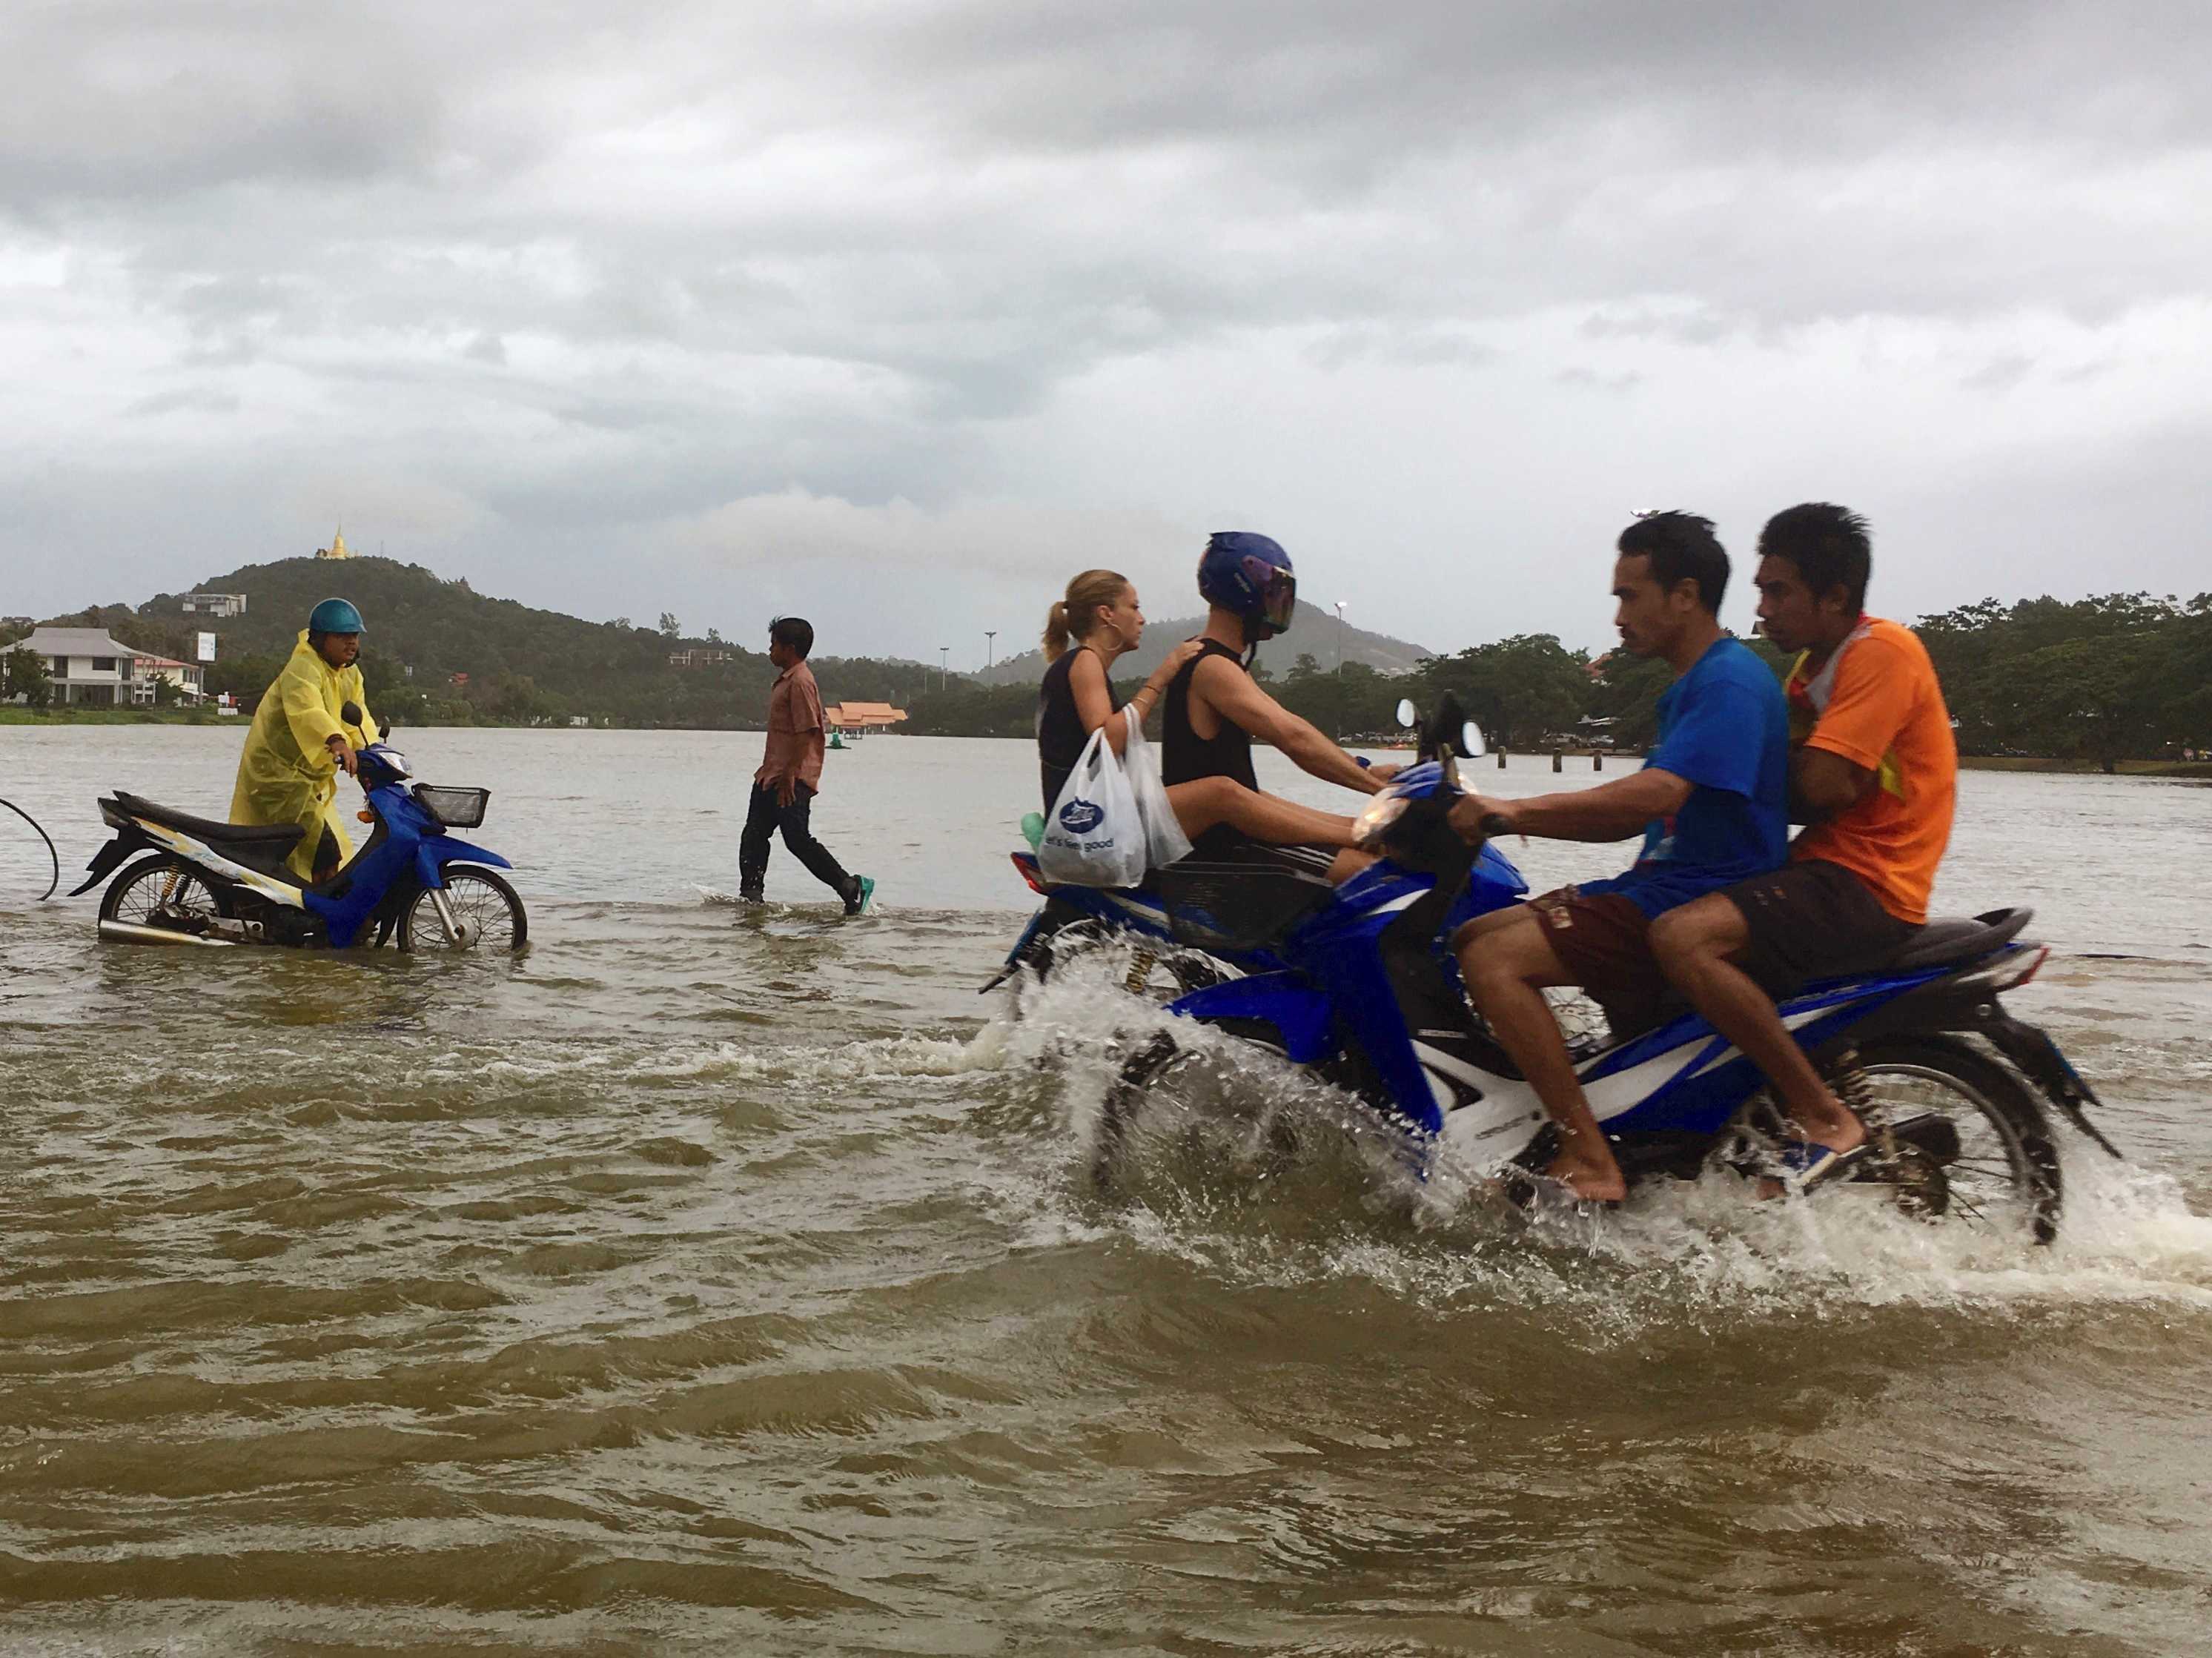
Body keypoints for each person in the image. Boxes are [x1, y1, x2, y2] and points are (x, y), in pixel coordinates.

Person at [1447, 512, 1788, 1203]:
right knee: (1477, 929)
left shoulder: (1727, 683)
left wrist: (1513, 812)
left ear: (1684, 596)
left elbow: (1651, 795)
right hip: (1665, 883)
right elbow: (1632, 820)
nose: (1619, 616)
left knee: (1493, 959)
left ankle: (1587, 1152)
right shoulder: (1691, 686)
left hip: (1696, 894)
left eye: (1629, 596)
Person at [1648, 504, 1957, 1186]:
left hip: (1869, 882)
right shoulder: (1808, 674)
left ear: (1836, 596)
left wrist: (1727, 768)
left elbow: (1823, 784)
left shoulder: (1881, 652)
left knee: (1683, 939)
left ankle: (1821, 1115)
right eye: (1761, 590)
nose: (1763, 608)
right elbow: (1782, 773)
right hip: (1821, 868)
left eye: (1778, 591)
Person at [1035, 567, 1370, 859]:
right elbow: (1106, 741)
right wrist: (1161, 676)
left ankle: (1358, 830)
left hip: (1093, 815)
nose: (1141, 618)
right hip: (1087, 824)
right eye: (1134, 607)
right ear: (1107, 614)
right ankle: (1360, 838)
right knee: (1221, 792)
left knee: (1246, 794)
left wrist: (1362, 771)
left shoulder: (1083, 665)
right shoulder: (1085, 662)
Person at [1160, 532, 1393, 882]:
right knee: (1378, 874)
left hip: (1235, 825)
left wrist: (1365, 770)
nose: (1280, 606)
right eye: (1274, 594)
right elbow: (1293, 737)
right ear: (1245, 595)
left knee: (1369, 837)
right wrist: (1379, 790)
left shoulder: (1211, 657)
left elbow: (1291, 726)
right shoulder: (1213, 666)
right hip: (1224, 845)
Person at [230, 598, 380, 883]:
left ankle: (313, 914)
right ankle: (317, 916)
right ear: (322, 639)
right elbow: (307, 709)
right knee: (321, 849)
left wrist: (374, 756)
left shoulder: (350, 675)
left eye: (355, 636)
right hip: (277, 776)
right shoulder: (302, 668)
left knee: (329, 849)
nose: (352, 643)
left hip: (310, 782)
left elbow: (359, 720)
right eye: (343, 636)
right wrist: (335, 740)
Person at [740, 617, 875, 915]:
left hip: (790, 778)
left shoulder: (800, 682)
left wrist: (790, 776)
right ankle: (751, 899)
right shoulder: (787, 679)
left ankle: (850, 886)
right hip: (770, 774)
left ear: (789, 648)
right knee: (754, 835)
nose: (769, 650)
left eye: (773, 644)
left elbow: (808, 731)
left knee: (797, 840)